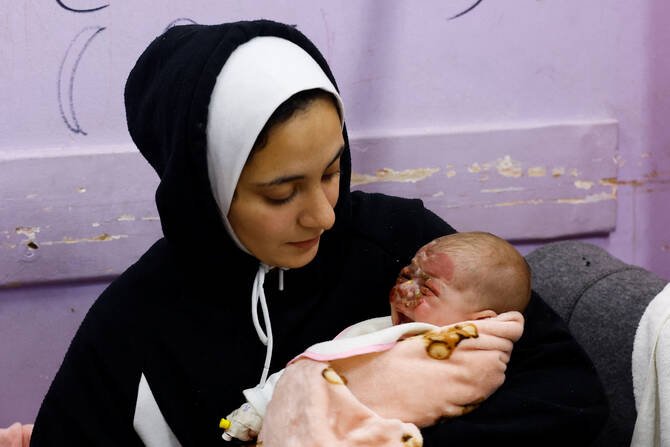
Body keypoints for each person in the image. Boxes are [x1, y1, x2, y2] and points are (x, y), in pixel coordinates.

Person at [29, 19, 608, 446]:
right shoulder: (134, 325)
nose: (324, 217)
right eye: (281, 194)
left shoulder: (404, 245)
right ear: (202, 194)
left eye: (332, 172)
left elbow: (569, 396)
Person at [221, 231, 531, 444]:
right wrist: (261, 406)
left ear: (479, 322)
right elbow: (318, 365)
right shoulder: (379, 332)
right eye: (406, 275)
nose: (405, 290)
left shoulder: (474, 359)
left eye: (428, 290)